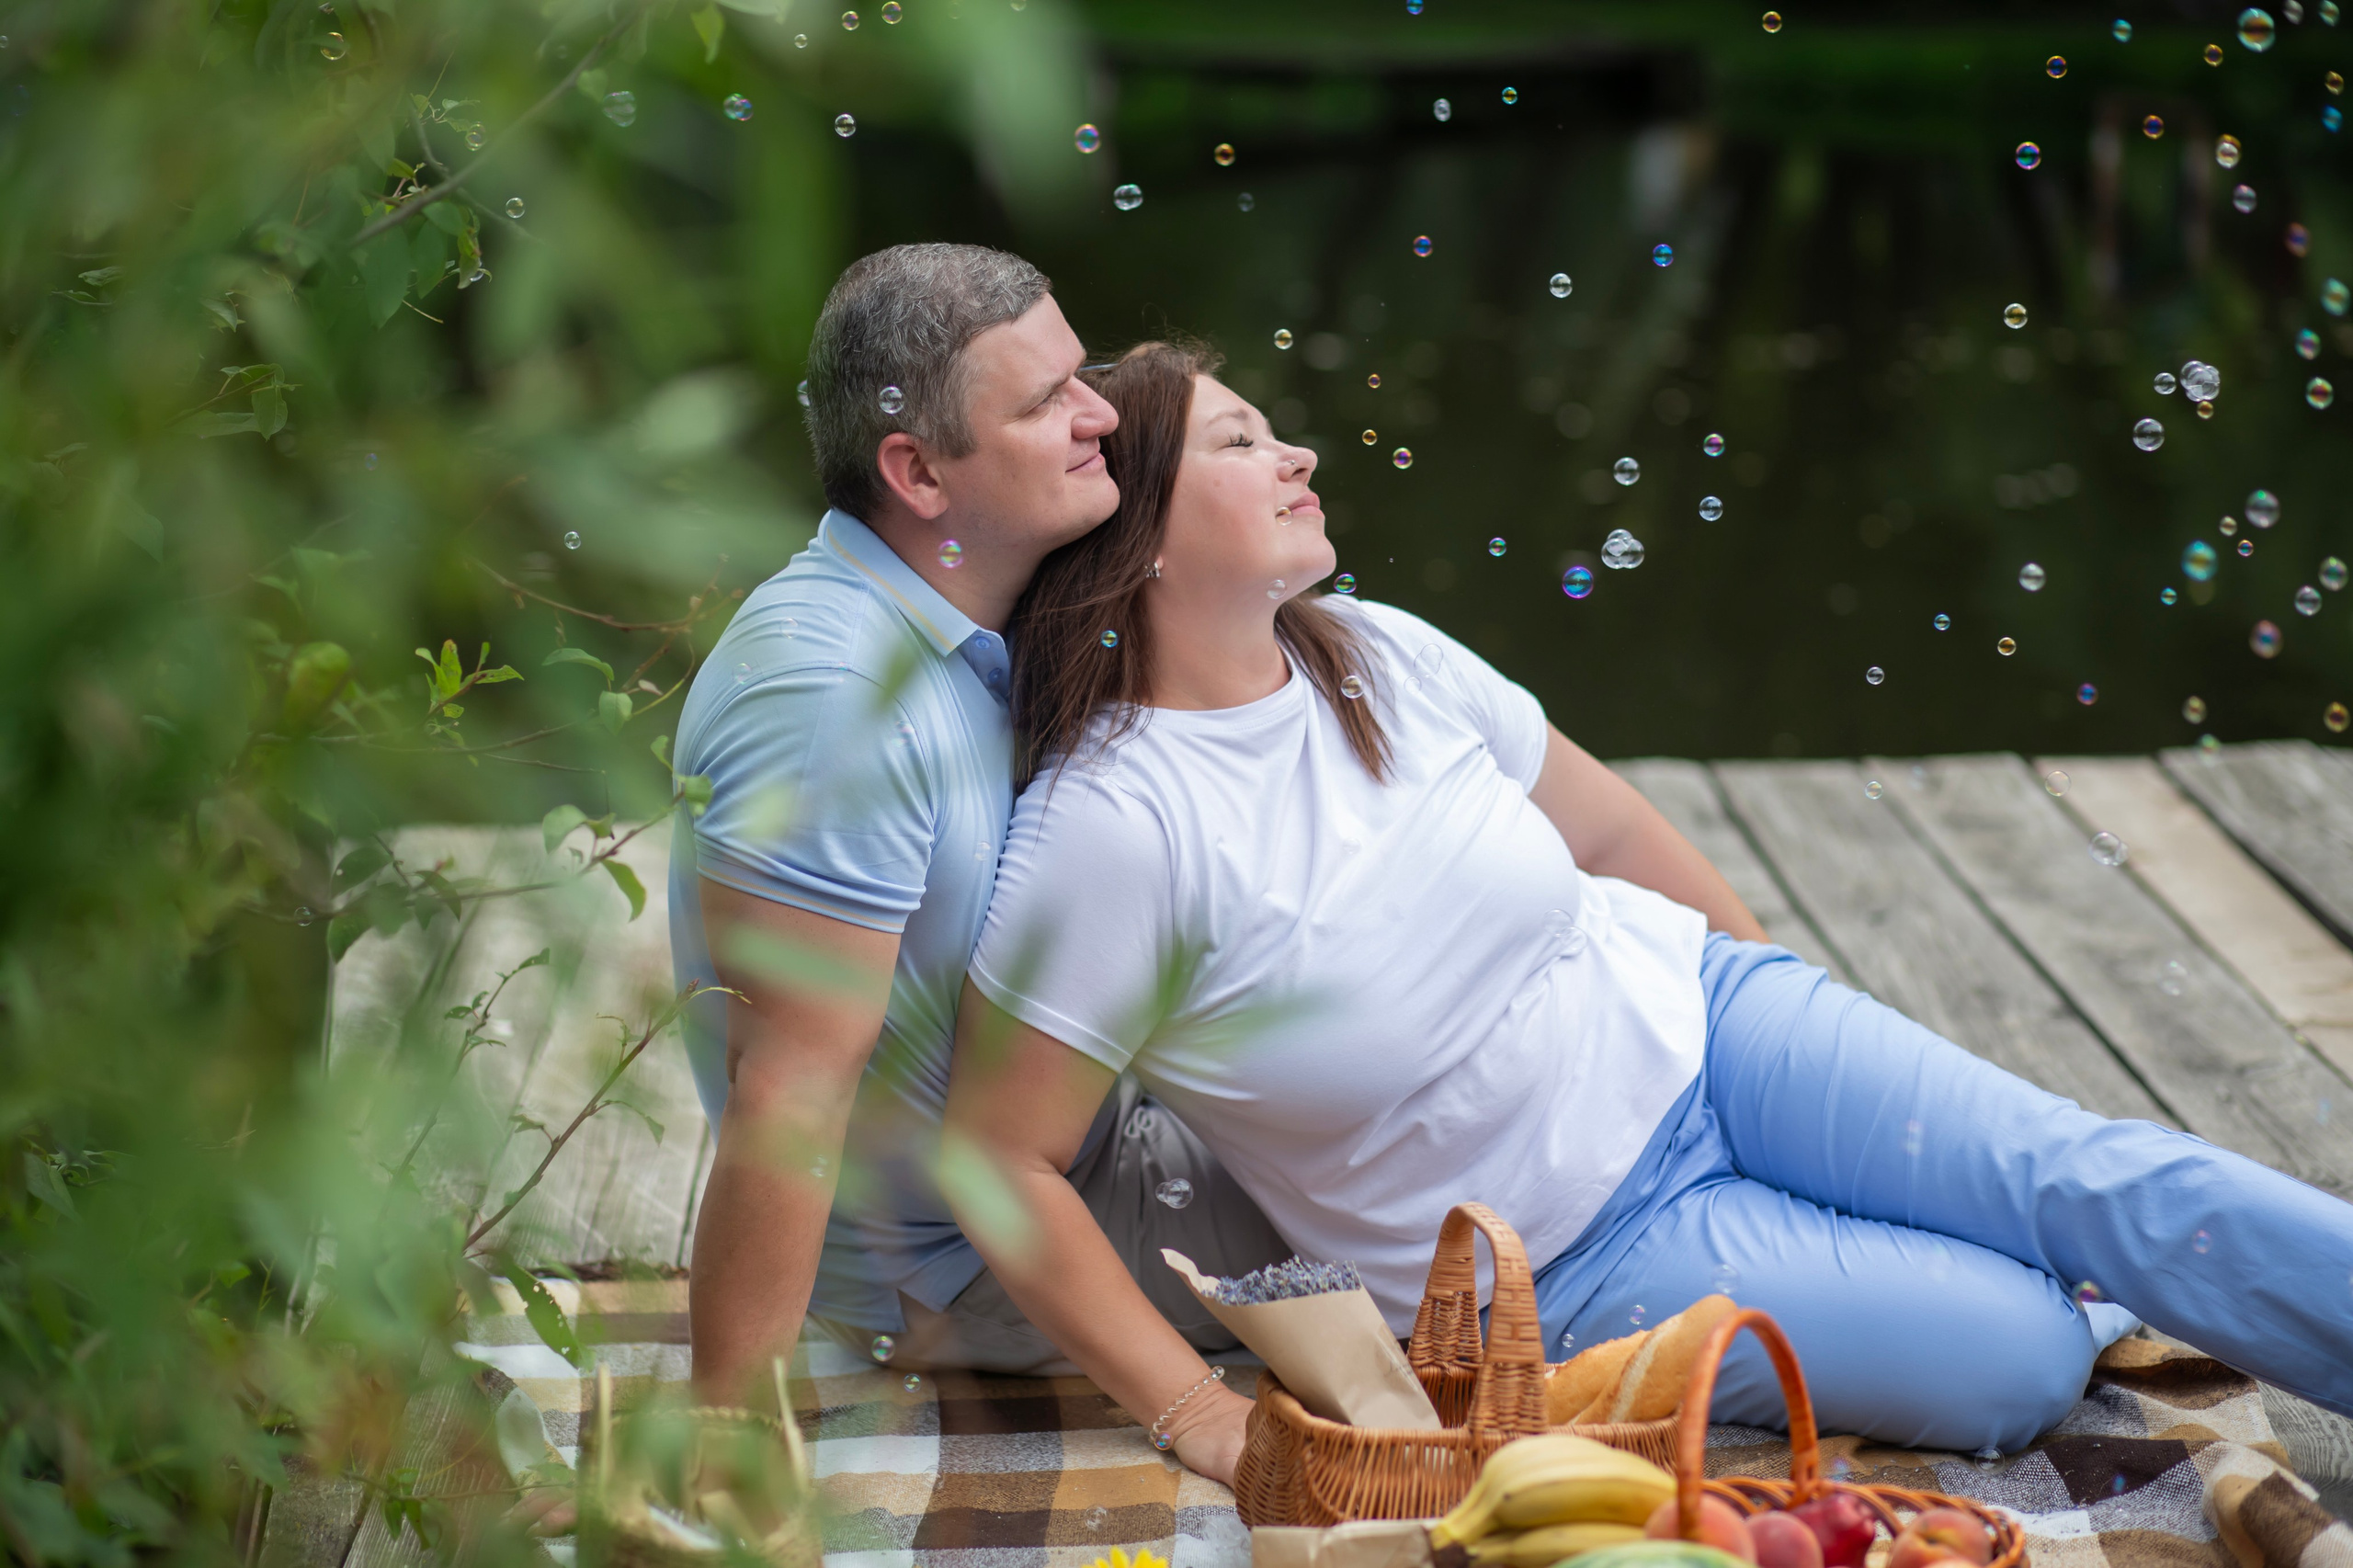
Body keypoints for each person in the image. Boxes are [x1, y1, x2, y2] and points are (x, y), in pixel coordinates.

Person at [942, 338, 2353, 1485]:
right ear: (1140, 542)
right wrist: (1197, 1411)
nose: (1297, 452)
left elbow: (1612, 827)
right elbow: (1002, 1156)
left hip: (1715, 1021)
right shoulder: (1113, 827)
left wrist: (1777, 990)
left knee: (2098, 1179)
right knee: (2023, 1360)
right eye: (1240, 441)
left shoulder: (1376, 654)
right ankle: (2036, 1273)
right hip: (1569, 1252)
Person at [671, 251, 1289, 1405]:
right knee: (1459, 1158)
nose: (1101, 414)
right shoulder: (833, 702)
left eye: (1079, 376)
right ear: (917, 471)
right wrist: (730, 1441)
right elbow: (787, 1092)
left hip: (1082, 1150)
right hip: (973, 1263)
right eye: (1046, 400)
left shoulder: (956, 635)